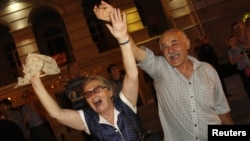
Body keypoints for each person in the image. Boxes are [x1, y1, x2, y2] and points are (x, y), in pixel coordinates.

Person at [94, 1, 234, 141]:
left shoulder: (208, 70)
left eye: (174, 43)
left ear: (187, 43)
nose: (171, 50)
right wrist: (121, 31)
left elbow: (223, 114)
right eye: (165, 47)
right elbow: (136, 52)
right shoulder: (160, 69)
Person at [28, 8, 147, 141]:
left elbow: (132, 74)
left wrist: (123, 38)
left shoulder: (126, 104)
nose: (93, 95)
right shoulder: (89, 120)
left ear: (110, 91)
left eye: (97, 89)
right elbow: (58, 113)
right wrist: (36, 83)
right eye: (88, 94)